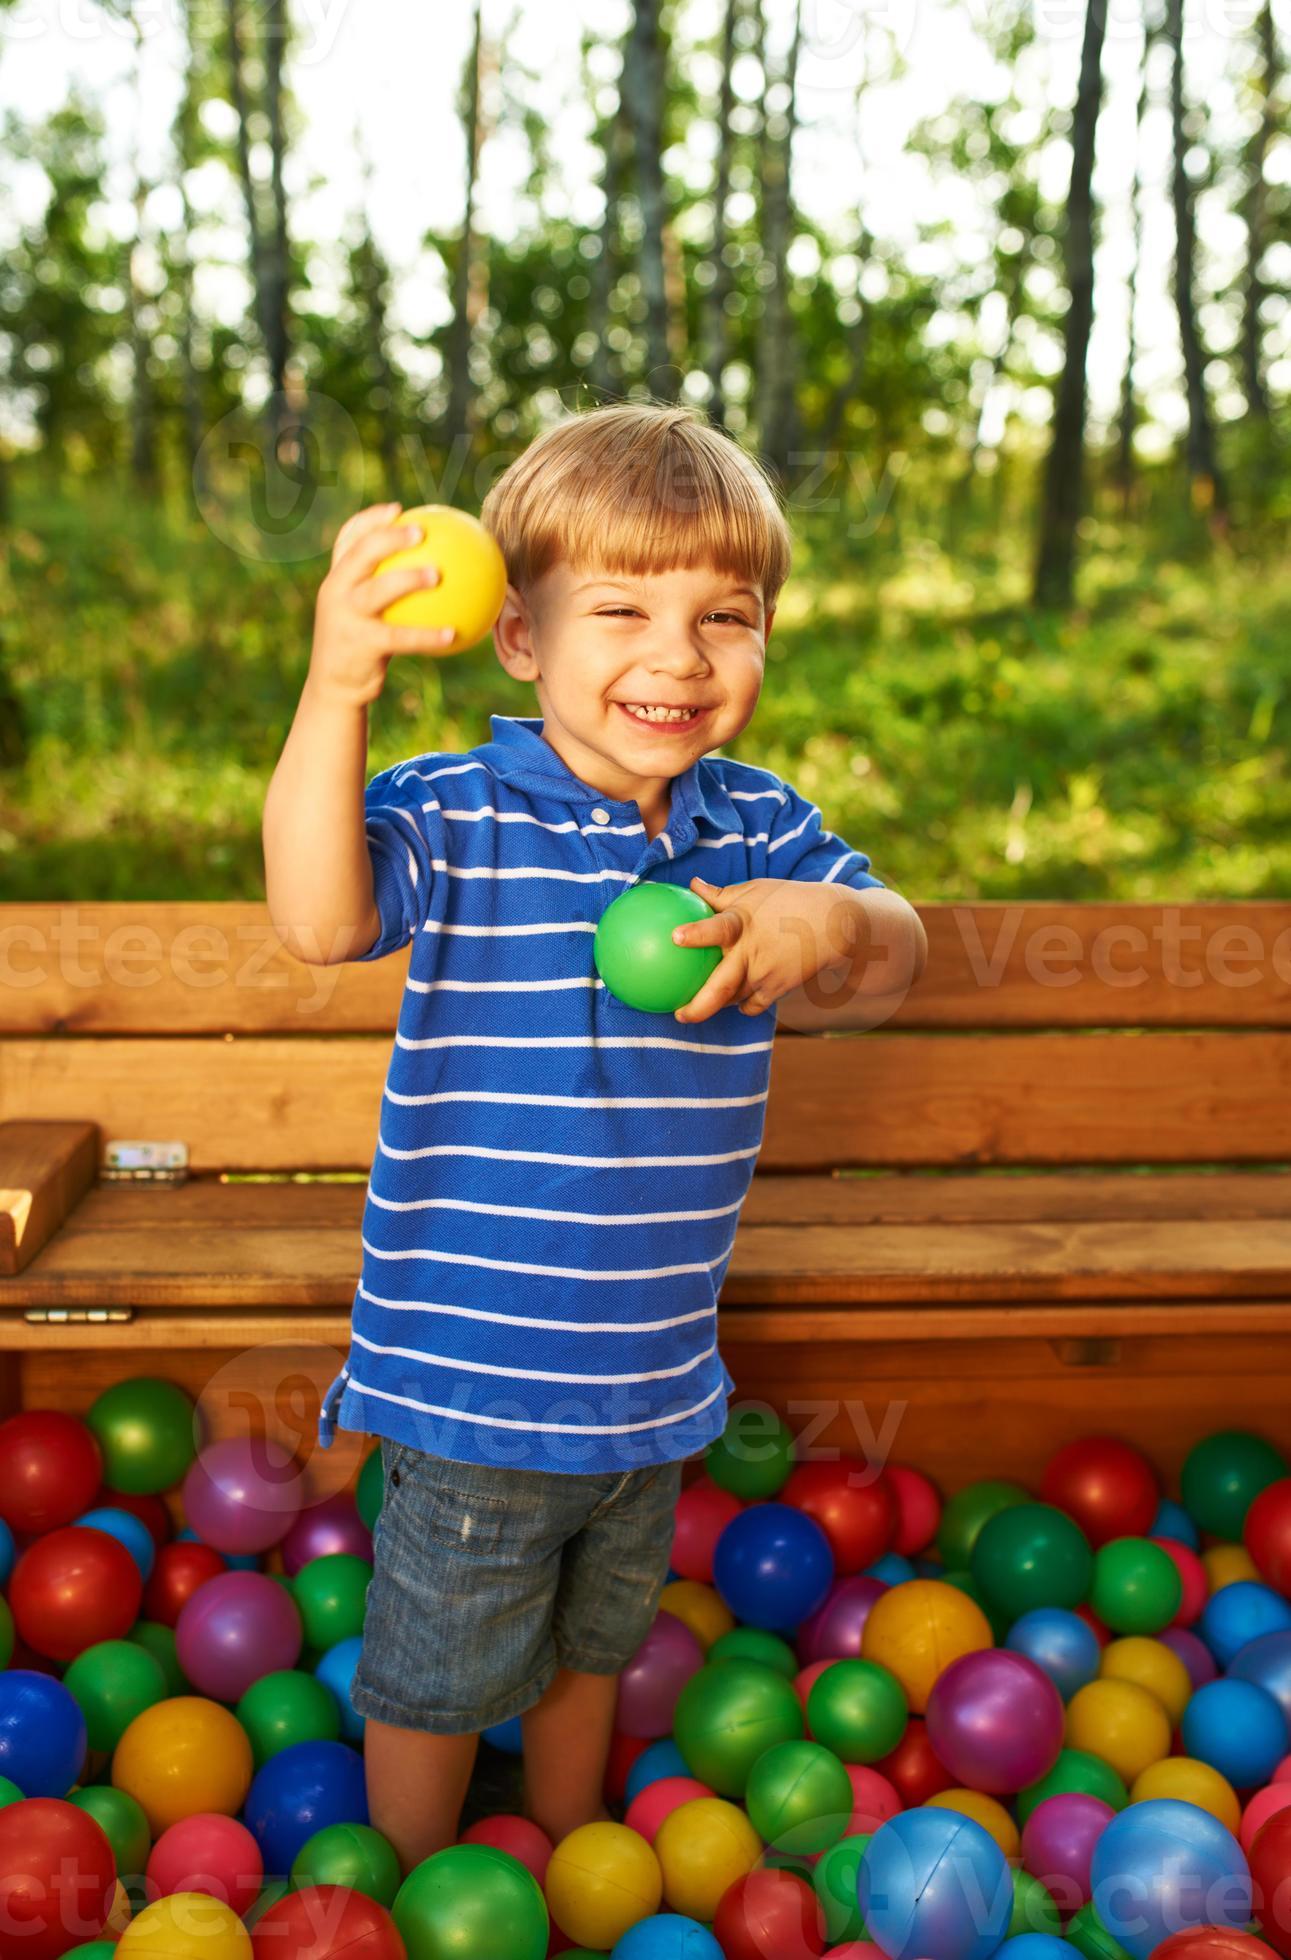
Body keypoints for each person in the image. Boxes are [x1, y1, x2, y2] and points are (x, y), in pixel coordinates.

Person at [261, 400, 927, 1872]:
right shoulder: (459, 808)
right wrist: (334, 693)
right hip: (477, 1373)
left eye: (726, 615)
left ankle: (568, 1842)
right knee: (439, 1670)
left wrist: (840, 920)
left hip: (654, 1373)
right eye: (621, 608)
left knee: (593, 1642)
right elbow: (318, 921)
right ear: (518, 638)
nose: (679, 655)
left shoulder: (756, 835)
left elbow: (898, 957)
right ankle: (418, 1878)